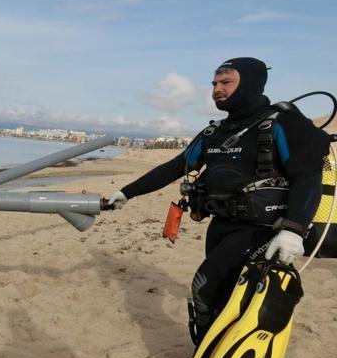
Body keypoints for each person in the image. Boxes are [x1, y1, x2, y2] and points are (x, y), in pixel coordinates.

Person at [106, 57, 329, 343]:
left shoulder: (281, 122)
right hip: (222, 225)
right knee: (224, 295)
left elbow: (307, 176)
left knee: (205, 287)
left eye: (226, 82)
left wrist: (294, 230)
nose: (216, 90)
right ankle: (209, 357)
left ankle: (211, 355)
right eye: (214, 83)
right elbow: (175, 167)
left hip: (264, 229)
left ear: (249, 84)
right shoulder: (216, 132)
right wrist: (127, 192)